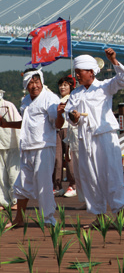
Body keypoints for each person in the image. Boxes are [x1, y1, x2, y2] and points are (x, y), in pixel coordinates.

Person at [65, 50, 124, 221]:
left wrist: (114, 60)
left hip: (105, 137)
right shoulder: (75, 93)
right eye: (76, 72)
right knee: (90, 177)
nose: (77, 75)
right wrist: (74, 116)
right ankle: (99, 217)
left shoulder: (105, 86)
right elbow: (69, 115)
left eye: (80, 71)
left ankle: (120, 215)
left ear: (91, 72)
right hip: (85, 138)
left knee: (112, 173)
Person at [1, 69, 65, 227]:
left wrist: (60, 114)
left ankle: (49, 220)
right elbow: (27, 124)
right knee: (21, 185)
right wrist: (7, 124)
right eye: (31, 83)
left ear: (41, 82)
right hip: (27, 148)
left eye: (37, 82)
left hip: (43, 148)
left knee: (44, 185)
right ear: (26, 85)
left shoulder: (50, 99)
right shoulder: (26, 100)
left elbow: (57, 125)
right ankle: (19, 219)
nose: (34, 86)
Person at [53, 76, 77, 198]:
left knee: (68, 157)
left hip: (69, 129)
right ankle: (57, 186)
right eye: (61, 85)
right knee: (57, 158)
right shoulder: (57, 99)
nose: (62, 87)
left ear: (71, 87)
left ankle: (73, 185)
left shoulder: (73, 98)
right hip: (57, 129)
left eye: (65, 85)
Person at [0, 90, 21, 210]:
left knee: (14, 174)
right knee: (0, 176)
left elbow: (17, 125)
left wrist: (19, 144)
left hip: (12, 145)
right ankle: (3, 201)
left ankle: (16, 200)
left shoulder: (8, 105)